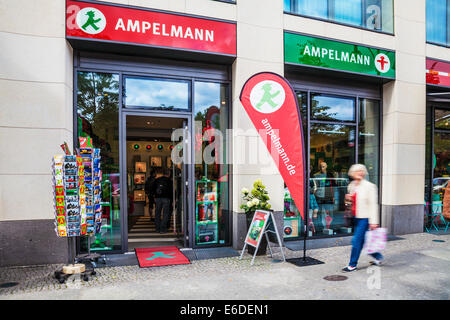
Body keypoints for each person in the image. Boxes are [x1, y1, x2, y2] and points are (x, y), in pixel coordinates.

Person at [342, 164, 383, 272]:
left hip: (364, 218)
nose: (360, 173)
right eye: (357, 171)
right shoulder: (351, 186)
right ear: (352, 173)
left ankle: (352, 265)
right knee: (363, 241)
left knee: (356, 241)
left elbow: (373, 205)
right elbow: (349, 203)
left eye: (362, 171)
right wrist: (348, 199)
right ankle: (378, 257)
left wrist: (374, 222)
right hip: (355, 217)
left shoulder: (370, 186)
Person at [150, 168, 173, 233]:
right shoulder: (170, 181)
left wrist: (154, 196)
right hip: (166, 198)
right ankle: (162, 229)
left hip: (158, 198)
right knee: (165, 214)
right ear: (169, 173)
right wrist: (172, 200)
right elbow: (171, 191)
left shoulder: (157, 180)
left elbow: (152, 189)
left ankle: (157, 228)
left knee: (157, 213)